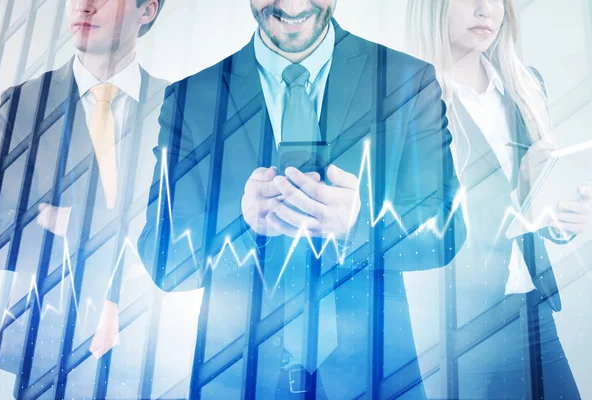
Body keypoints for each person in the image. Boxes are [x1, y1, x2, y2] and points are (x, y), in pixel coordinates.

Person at [137, 0, 466, 397]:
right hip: (236, 378)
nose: (292, 5)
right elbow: (162, 257)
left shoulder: (405, 79)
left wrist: (360, 226)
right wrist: (241, 223)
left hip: (375, 377)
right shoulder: (192, 98)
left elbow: (446, 233)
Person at [405, 0, 591, 398]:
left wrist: (559, 216)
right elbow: (423, 226)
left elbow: (535, 208)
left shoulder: (526, 85)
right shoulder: (408, 102)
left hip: (533, 308)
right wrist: (519, 187)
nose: (484, 8)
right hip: (457, 326)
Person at [0, 0, 168, 397]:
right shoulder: (24, 104)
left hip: (154, 349)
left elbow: (183, 226)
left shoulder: (179, 104)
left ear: (147, 10)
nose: (84, 6)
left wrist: (64, 220)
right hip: (50, 347)